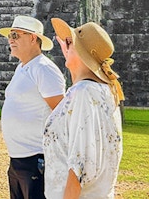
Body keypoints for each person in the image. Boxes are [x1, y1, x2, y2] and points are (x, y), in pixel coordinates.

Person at [43, 18, 124, 199]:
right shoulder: (105, 91)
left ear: (81, 52)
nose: (65, 45)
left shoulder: (83, 93)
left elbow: (79, 166)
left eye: (70, 42)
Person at [0, 15, 65, 199]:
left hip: (36, 158)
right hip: (19, 159)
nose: (10, 39)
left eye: (15, 35)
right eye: (10, 35)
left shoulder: (44, 68)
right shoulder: (22, 67)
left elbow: (61, 114)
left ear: (33, 38)